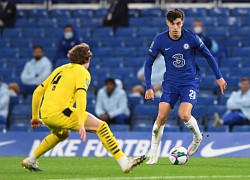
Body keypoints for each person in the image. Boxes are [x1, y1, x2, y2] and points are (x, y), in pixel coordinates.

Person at [21, 43, 145, 173]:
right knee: (101, 127)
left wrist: (35, 116)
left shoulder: (60, 69)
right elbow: (81, 95)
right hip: (61, 111)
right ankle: (125, 162)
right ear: (88, 59)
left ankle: (31, 159)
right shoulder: (82, 72)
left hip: (46, 113)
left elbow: (37, 92)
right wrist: (80, 122)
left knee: (62, 133)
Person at [144, 8, 227, 164]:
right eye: (173, 24)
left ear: (182, 22)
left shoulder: (191, 38)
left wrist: (219, 77)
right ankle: (153, 156)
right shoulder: (160, 40)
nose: (176, 27)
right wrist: (148, 86)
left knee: (184, 114)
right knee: (161, 117)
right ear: (167, 23)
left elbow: (208, 56)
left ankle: (197, 137)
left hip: (190, 81)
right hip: (170, 83)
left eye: (179, 23)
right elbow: (148, 63)